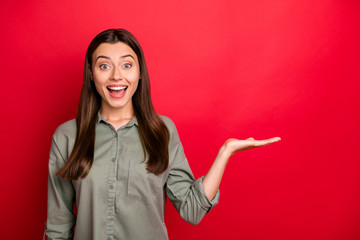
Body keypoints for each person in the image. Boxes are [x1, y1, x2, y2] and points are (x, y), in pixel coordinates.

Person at [44, 28, 281, 240]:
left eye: (127, 65)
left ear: (139, 73)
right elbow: (58, 224)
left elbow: (192, 209)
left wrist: (225, 153)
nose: (116, 76)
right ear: (91, 73)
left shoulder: (162, 131)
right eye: (104, 65)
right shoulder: (67, 136)